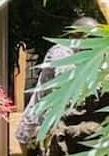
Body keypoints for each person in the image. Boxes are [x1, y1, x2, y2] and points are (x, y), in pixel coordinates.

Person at [15, 16, 98, 146]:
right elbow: (67, 86)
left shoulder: (87, 56)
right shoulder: (62, 52)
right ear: (77, 36)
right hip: (38, 125)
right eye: (91, 37)